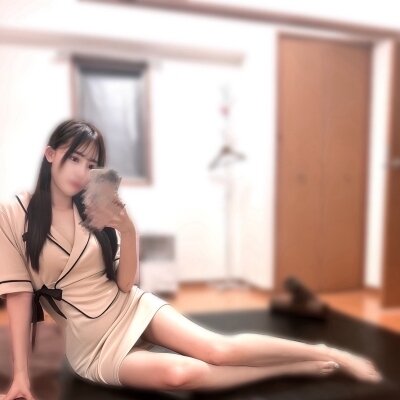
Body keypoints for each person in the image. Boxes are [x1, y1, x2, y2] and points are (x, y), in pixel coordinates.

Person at [0, 119, 383, 400]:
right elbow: (18, 297)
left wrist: (128, 231)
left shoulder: (94, 209)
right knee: (181, 376)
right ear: (50, 155)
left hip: (128, 307)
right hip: (92, 348)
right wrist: (21, 377)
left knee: (219, 350)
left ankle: (325, 352)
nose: (81, 171)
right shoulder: (14, 214)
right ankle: (290, 367)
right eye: (74, 158)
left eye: (90, 164)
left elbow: (124, 284)